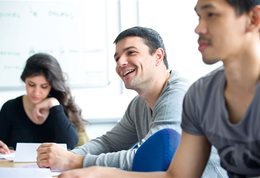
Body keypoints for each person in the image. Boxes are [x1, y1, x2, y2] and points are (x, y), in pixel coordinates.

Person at [55, 0, 260, 177]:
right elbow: (177, 175)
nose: (198, 28)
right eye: (199, 17)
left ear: (253, 19)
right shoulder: (200, 94)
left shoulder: (181, 95)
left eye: (211, 14)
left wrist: (78, 162)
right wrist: (94, 171)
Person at [36, 26, 189, 171]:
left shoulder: (179, 95)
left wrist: (73, 161)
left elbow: (152, 159)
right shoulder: (138, 104)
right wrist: (69, 155)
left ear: (158, 56)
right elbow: (108, 143)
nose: (120, 63)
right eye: (117, 58)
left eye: (131, 52)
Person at [0, 53, 88, 153]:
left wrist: (53, 104)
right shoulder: (10, 107)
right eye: (31, 84)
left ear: (52, 85)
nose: (36, 92)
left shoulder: (60, 107)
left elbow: (70, 144)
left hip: (56, 168)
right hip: (16, 167)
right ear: (25, 81)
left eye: (44, 86)